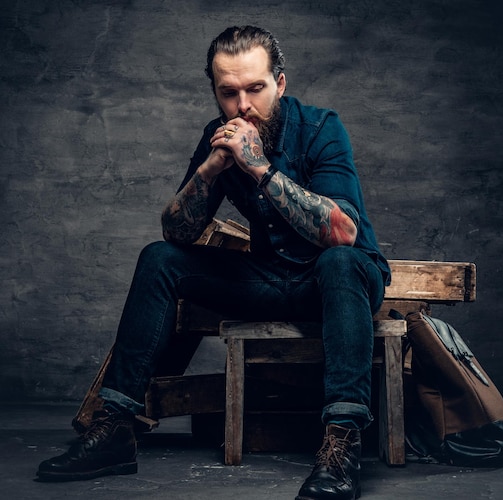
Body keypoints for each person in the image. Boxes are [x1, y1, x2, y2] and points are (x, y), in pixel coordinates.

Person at [37, 25, 390, 500]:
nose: (243, 106)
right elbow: (176, 232)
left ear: (280, 84)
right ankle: (115, 428)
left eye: (256, 89)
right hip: (270, 280)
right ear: (216, 93)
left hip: (340, 281)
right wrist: (212, 168)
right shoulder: (216, 136)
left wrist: (259, 167)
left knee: (339, 264)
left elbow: (342, 233)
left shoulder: (322, 127)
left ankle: (341, 445)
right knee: (160, 258)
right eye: (229, 93)